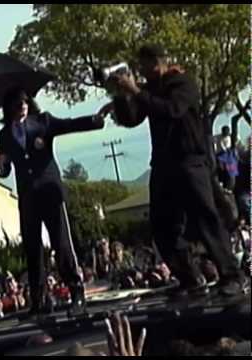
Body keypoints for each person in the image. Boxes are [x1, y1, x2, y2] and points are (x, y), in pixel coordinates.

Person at [110, 43, 246, 296]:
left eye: (146, 64)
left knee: (206, 219)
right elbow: (131, 118)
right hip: (163, 163)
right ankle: (188, 277)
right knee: (163, 226)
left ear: (158, 62)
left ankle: (231, 274)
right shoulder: (148, 89)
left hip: (190, 161)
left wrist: (136, 91)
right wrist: (120, 95)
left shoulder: (183, 84)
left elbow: (171, 110)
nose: (143, 70)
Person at [0, 86, 111, 315]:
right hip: (27, 197)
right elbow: (4, 171)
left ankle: (76, 292)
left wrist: (96, 119)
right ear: (9, 108)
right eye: (17, 102)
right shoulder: (3, 136)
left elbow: (69, 125)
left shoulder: (43, 122)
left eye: (25, 101)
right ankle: (39, 300)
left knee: (61, 244)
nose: (22, 105)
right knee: (33, 249)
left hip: (50, 192)